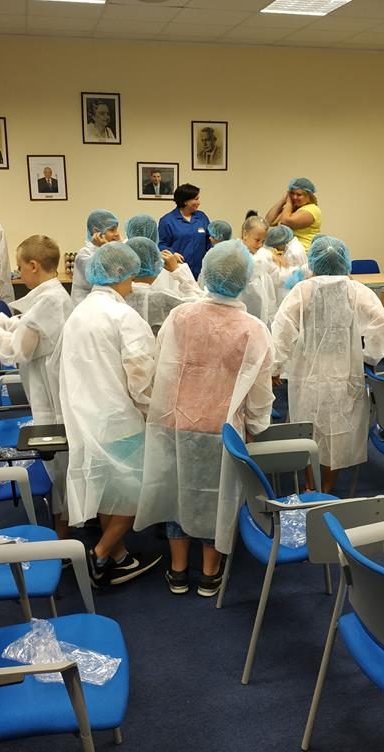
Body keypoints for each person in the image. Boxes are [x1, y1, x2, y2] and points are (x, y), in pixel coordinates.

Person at [135, 240, 274, 596]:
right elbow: (259, 390)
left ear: (207, 273)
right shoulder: (253, 329)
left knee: (179, 491)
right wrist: (256, 426)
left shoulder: (181, 316)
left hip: (177, 419)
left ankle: (178, 569)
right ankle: (210, 573)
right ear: (245, 278)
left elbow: (162, 366)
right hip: (222, 426)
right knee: (217, 497)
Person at [60, 243, 162, 586]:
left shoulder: (80, 312)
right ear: (123, 273)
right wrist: (152, 410)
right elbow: (140, 374)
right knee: (135, 493)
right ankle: (100, 554)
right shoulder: (123, 316)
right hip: (119, 418)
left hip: (86, 416)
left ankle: (119, 557)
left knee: (109, 490)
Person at [272, 236, 384, 494]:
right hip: (344, 372)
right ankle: (327, 488)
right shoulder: (356, 290)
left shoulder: (302, 291)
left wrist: (276, 367)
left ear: (313, 262)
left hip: (307, 374)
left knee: (308, 431)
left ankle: (310, 487)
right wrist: (370, 356)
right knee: (337, 434)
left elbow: (282, 331)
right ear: (344, 261)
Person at [0, 235, 74, 538]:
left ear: (33, 265)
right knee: (61, 458)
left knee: (59, 460)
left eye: (19, 267)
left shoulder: (48, 301)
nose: (18, 272)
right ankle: (64, 517)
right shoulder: (54, 294)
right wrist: (2, 323)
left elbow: (20, 349)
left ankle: (63, 525)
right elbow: (30, 327)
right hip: (50, 383)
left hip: (49, 390)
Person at [125, 236, 202, 335]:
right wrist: (178, 271)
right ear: (156, 264)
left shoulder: (117, 295)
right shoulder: (164, 301)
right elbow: (200, 309)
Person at [158, 183, 211, 280]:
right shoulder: (167, 220)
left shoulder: (201, 217)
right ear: (185, 201)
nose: (199, 202)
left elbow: (209, 240)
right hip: (178, 271)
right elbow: (161, 244)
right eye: (196, 199)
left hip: (200, 271)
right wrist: (172, 253)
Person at [235, 214, 278, 325]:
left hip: (259, 317)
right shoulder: (236, 254)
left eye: (263, 241)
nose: (260, 245)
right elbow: (253, 266)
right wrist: (269, 256)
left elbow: (274, 272)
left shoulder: (260, 254)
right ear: (245, 234)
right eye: (257, 240)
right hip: (241, 315)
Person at [72, 209, 121, 304]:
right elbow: (104, 275)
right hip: (86, 305)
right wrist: (106, 247)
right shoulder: (84, 255)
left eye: (116, 229)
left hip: (102, 303)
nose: (117, 234)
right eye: (112, 229)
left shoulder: (108, 250)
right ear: (96, 232)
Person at [265, 177, 322, 252]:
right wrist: (283, 201)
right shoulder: (290, 210)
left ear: (308, 196)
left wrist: (289, 202)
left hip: (301, 253)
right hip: (286, 252)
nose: (294, 197)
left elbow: (286, 221)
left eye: (299, 195)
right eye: (292, 193)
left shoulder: (312, 209)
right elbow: (268, 221)